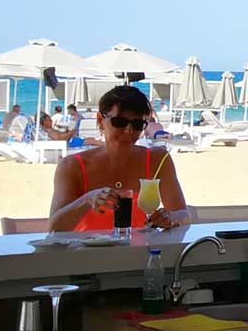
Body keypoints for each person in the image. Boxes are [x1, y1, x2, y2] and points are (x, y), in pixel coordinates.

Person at [47, 84, 189, 231]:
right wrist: (88, 199)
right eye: (119, 122)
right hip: (85, 252)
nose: (129, 130)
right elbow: (54, 228)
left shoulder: (157, 159)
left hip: (140, 252)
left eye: (138, 124)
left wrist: (171, 217)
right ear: (100, 120)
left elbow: (183, 214)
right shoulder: (72, 166)